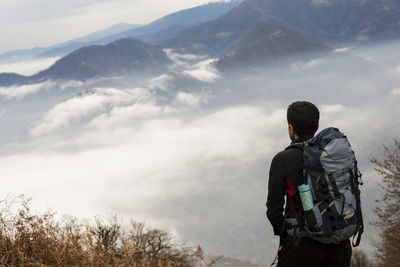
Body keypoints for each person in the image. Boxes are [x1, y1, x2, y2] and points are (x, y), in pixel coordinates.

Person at [266, 101, 352, 267]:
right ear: (317, 125)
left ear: (290, 128)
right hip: (339, 243)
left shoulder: (283, 159)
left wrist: (286, 235)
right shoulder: (333, 155)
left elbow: (274, 210)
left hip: (302, 246)